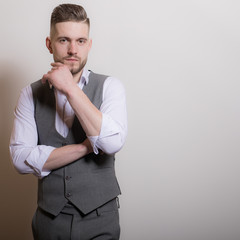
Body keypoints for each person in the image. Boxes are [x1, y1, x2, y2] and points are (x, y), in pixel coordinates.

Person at [9, 3, 127, 240]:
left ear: (89, 45)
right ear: (49, 44)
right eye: (64, 40)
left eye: (80, 41)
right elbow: (20, 159)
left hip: (100, 220)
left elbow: (112, 143)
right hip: (48, 222)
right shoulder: (29, 95)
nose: (73, 49)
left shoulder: (110, 87)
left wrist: (70, 89)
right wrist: (86, 146)